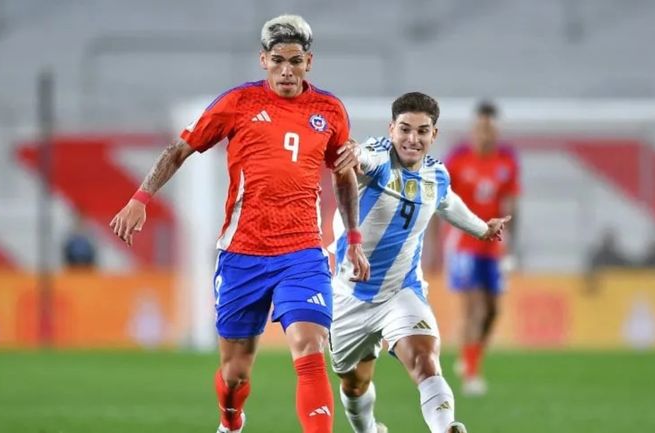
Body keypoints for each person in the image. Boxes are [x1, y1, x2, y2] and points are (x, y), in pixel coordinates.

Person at [109, 15, 370, 433]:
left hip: (302, 253)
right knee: (235, 374)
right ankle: (231, 420)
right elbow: (179, 150)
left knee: (309, 347)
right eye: (278, 60)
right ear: (263, 59)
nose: (287, 70)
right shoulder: (238, 103)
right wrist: (140, 198)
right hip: (242, 254)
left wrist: (353, 238)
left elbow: (343, 174)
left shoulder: (330, 110)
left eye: (296, 61)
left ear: (309, 62)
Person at [330, 92, 510, 433]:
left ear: (433, 134)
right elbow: (364, 158)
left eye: (422, 131)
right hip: (350, 294)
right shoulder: (378, 158)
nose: (413, 139)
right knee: (354, 383)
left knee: (424, 360)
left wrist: (483, 229)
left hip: (402, 290)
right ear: (392, 129)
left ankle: (445, 427)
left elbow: (449, 203)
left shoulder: (436, 175)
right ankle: (367, 429)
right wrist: (355, 153)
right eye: (405, 129)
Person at [442, 100, 519, 396]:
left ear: (496, 130)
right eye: (480, 128)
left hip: (494, 246)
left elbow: (511, 205)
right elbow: (440, 199)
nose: (485, 134)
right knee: (475, 307)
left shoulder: (506, 162)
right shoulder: (458, 160)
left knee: (492, 311)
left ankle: (470, 356)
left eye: (490, 128)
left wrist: (511, 247)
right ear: (474, 129)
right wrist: (433, 245)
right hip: (464, 243)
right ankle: (471, 374)